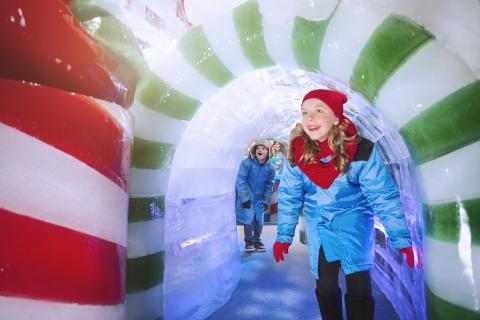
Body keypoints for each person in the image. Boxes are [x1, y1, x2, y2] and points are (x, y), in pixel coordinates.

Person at [272, 89, 415, 320]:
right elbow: (289, 196)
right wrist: (283, 236)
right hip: (320, 225)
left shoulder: (361, 149)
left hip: (354, 223)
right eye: (305, 112)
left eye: (319, 111)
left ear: (336, 117)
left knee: (358, 285)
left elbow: (382, 195)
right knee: (325, 285)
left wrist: (401, 238)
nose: (310, 118)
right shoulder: (295, 153)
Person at [236, 139, 276, 252]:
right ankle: (249, 241)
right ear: (254, 150)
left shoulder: (271, 168)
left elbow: (269, 185)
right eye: (258, 148)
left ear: (268, 152)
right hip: (248, 195)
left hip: (259, 198)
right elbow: (241, 180)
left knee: (259, 220)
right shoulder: (247, 163)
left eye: (263, 148)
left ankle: (257, 240)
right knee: (248, 219)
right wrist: (244, 198)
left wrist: (266, 200)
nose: (260, 150)